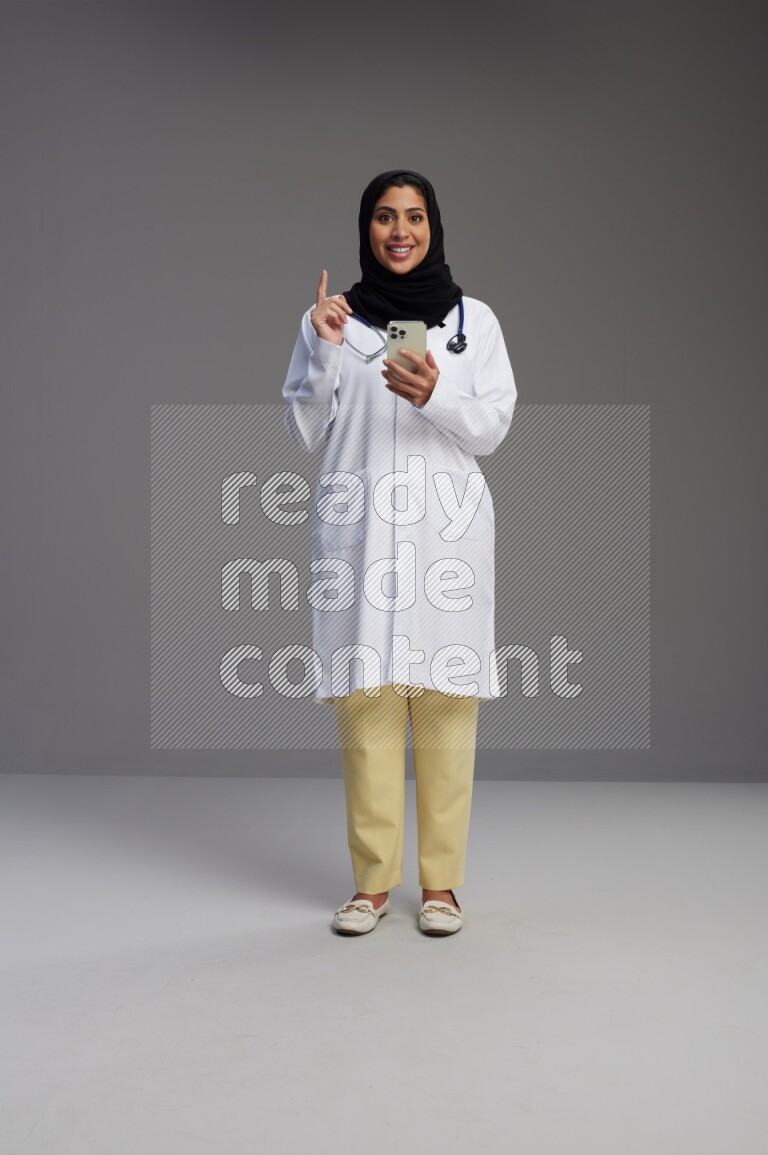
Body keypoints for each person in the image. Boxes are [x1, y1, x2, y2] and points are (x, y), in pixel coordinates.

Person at [282, 169, 516, 936]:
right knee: (368, 707)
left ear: (434, 225)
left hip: (445, 535)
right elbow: (306, 430)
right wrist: (320, 352)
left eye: (414, 216)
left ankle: (442, 886)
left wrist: (432, 395)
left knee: (447, 708)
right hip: (362, 534)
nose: (400, 230)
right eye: (384, 217)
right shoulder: (335, 321)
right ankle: (371, 885)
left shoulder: (472, 321)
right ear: (366, 229)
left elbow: (491, 429)